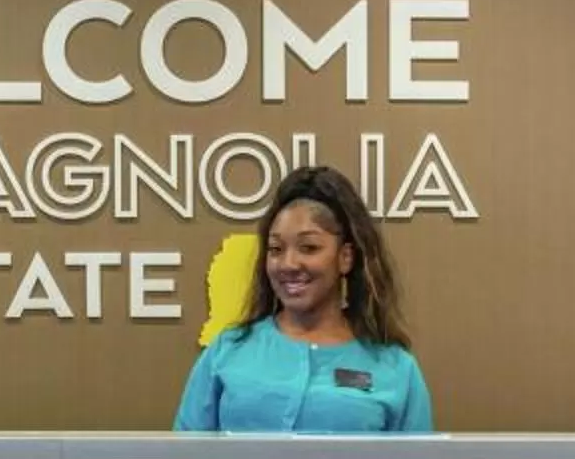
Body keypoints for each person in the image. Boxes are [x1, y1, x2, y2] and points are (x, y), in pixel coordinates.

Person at [173, 165, 434, 433]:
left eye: (309, 248)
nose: (288, 264)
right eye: (276, 249)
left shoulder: (395, 368)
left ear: (345, 257)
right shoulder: (227, 352)